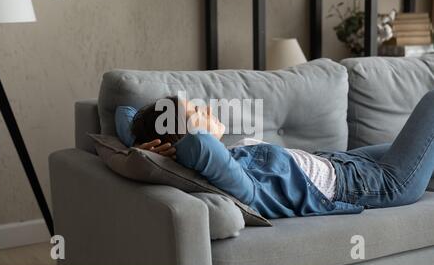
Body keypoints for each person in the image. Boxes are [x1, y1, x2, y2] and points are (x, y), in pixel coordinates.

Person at [129, 92, 434, 219]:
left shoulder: (229, 156)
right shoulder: (231, 176)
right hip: (373, 183)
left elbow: (123, 115)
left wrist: (137, 146)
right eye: (196, 111)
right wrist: (151, 150)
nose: (207, 109)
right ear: (182, 137)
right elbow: (198, 145)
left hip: (345, 162)